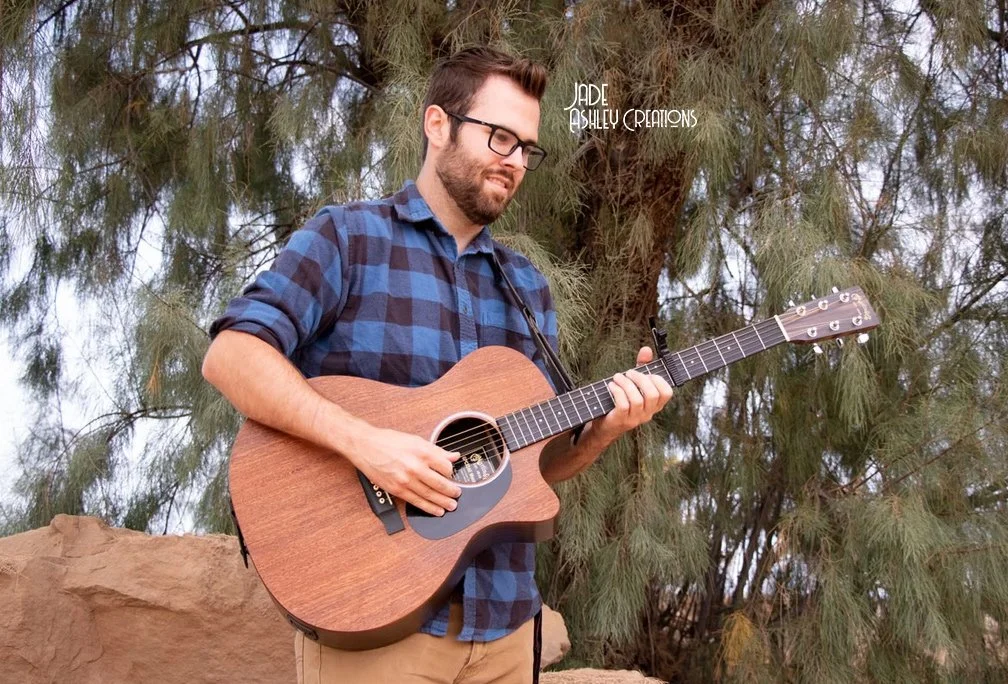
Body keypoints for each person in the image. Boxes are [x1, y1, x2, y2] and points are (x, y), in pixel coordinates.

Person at [201, 46, 674, 684]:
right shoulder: (347, 238)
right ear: (437, 124)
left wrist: (607, 429)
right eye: (500, 137)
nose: (514, 163)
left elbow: (540, 464)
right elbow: (231, 356)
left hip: (506, 629)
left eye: (527, 149)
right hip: (373, 625)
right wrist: (367, 445)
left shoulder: (527, 289)